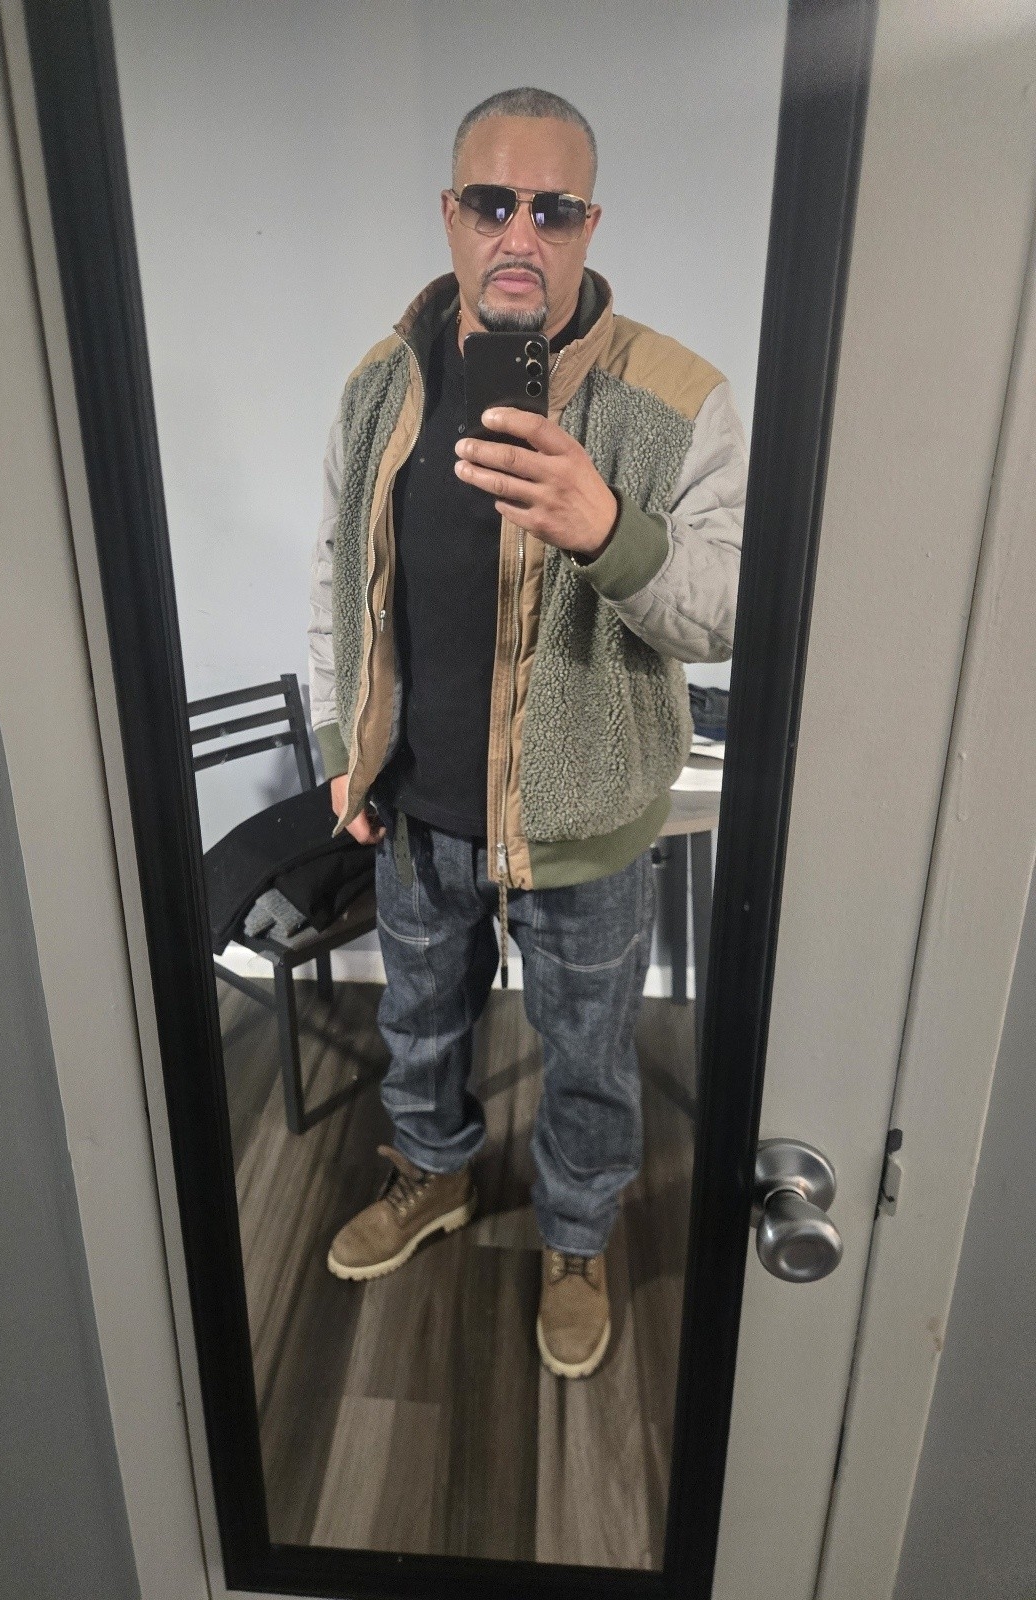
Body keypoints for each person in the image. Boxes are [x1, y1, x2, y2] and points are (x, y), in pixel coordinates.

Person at [307, 87, 745, 1379]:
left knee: (591, 1052)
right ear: (452, 212)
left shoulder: (678, 396)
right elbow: (336, 573)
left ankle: (576, 1233)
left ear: (589, 224)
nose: (521, 234)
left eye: (553, 210)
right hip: (413, 803)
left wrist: (609, 530)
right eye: (494, 202)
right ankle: (433, 1171)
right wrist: (343, 741)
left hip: (585, 813)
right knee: (420, 1023)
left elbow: (729, 612)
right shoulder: (380, 383)